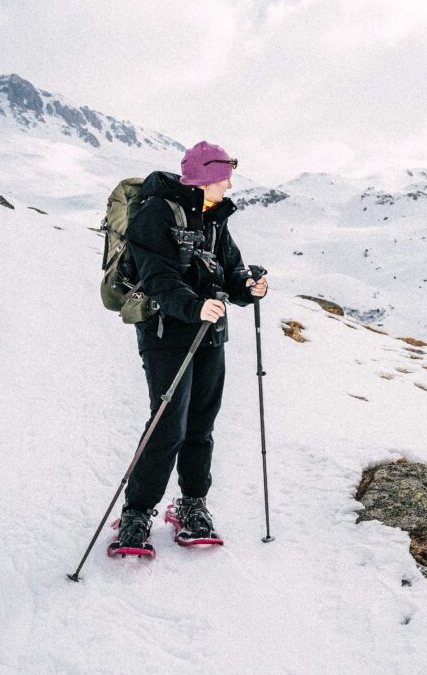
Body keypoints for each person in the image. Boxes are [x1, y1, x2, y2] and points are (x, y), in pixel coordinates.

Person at [111, 141, 268, 552]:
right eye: (223, 175)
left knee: (201, 423)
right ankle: (136, 513)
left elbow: (229, 271)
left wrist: (248, 288)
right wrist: (194, 306)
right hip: (166, 333)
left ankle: (192, 505)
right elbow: (158, 277)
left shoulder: (216, 218)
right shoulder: (156, 214)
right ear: (204, 177)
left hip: (209, 334)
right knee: (167, 425)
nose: (230, 183)